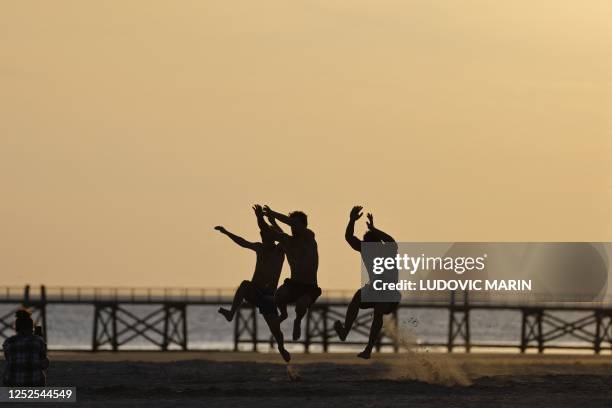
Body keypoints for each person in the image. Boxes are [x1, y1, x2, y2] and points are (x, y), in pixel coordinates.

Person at [215, 204, 290, 362]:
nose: (263, 237)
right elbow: (242, 242)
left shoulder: (280, 250)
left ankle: (281, 347)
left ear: (273, 237)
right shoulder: (260, 248)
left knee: (275, 329)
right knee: (244, 285)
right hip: (255, 292)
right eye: (262, 235)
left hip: (269, 297)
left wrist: (270, 221)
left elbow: (283, 236)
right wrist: (226, 232)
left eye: (266, 235)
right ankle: (231, 313)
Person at [334, 206, 400, 359]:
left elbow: (391, 241)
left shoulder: (388, 250)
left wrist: (374, 228)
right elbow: (349, 238)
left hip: (389, 291)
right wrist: (351, 220)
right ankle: (344, 332)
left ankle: (369, 349)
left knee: (378, 311)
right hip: (374, 289)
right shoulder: (366, 249)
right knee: (357, 298)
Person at [261, 205, 321, 341]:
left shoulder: (309, 238)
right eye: (292, 225)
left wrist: (273, 213)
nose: (293, 227)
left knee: (301, 304)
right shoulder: (288, 241)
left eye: (296, 224)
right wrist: (262, 218)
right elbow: (275, 234)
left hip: (309, 286)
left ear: (304, 226)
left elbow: (289, 223)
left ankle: (298, 321)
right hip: (293, 283)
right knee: (278, 296)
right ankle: (283, 315)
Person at [2, 309, 49, 386]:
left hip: (13, 386)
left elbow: (10, 361)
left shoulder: (8, 342)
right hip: (34, 385)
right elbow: (44, 365)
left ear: (16, 327)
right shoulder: (38, 341)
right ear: (31, 327)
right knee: (41, 375)